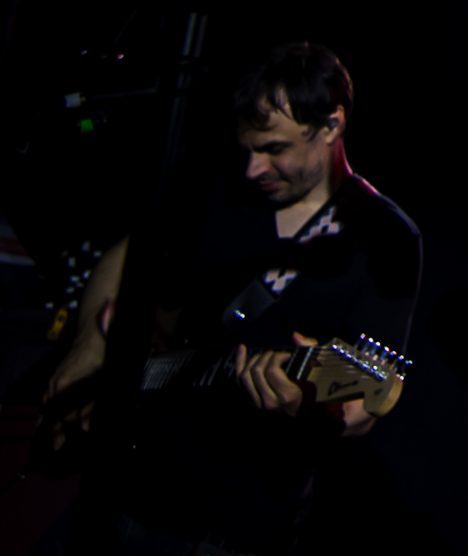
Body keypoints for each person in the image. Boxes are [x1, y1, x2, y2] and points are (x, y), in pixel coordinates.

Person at [42, 41, 421, 553]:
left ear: (332, 125)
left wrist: (304, 403)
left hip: (231, 529)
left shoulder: (386, 238)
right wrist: (89, 344)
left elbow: (366, 401)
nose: (253, 170)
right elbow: (131, 253)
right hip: (124, 493)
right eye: (249, 149)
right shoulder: (217, 186)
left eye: (275, 150)